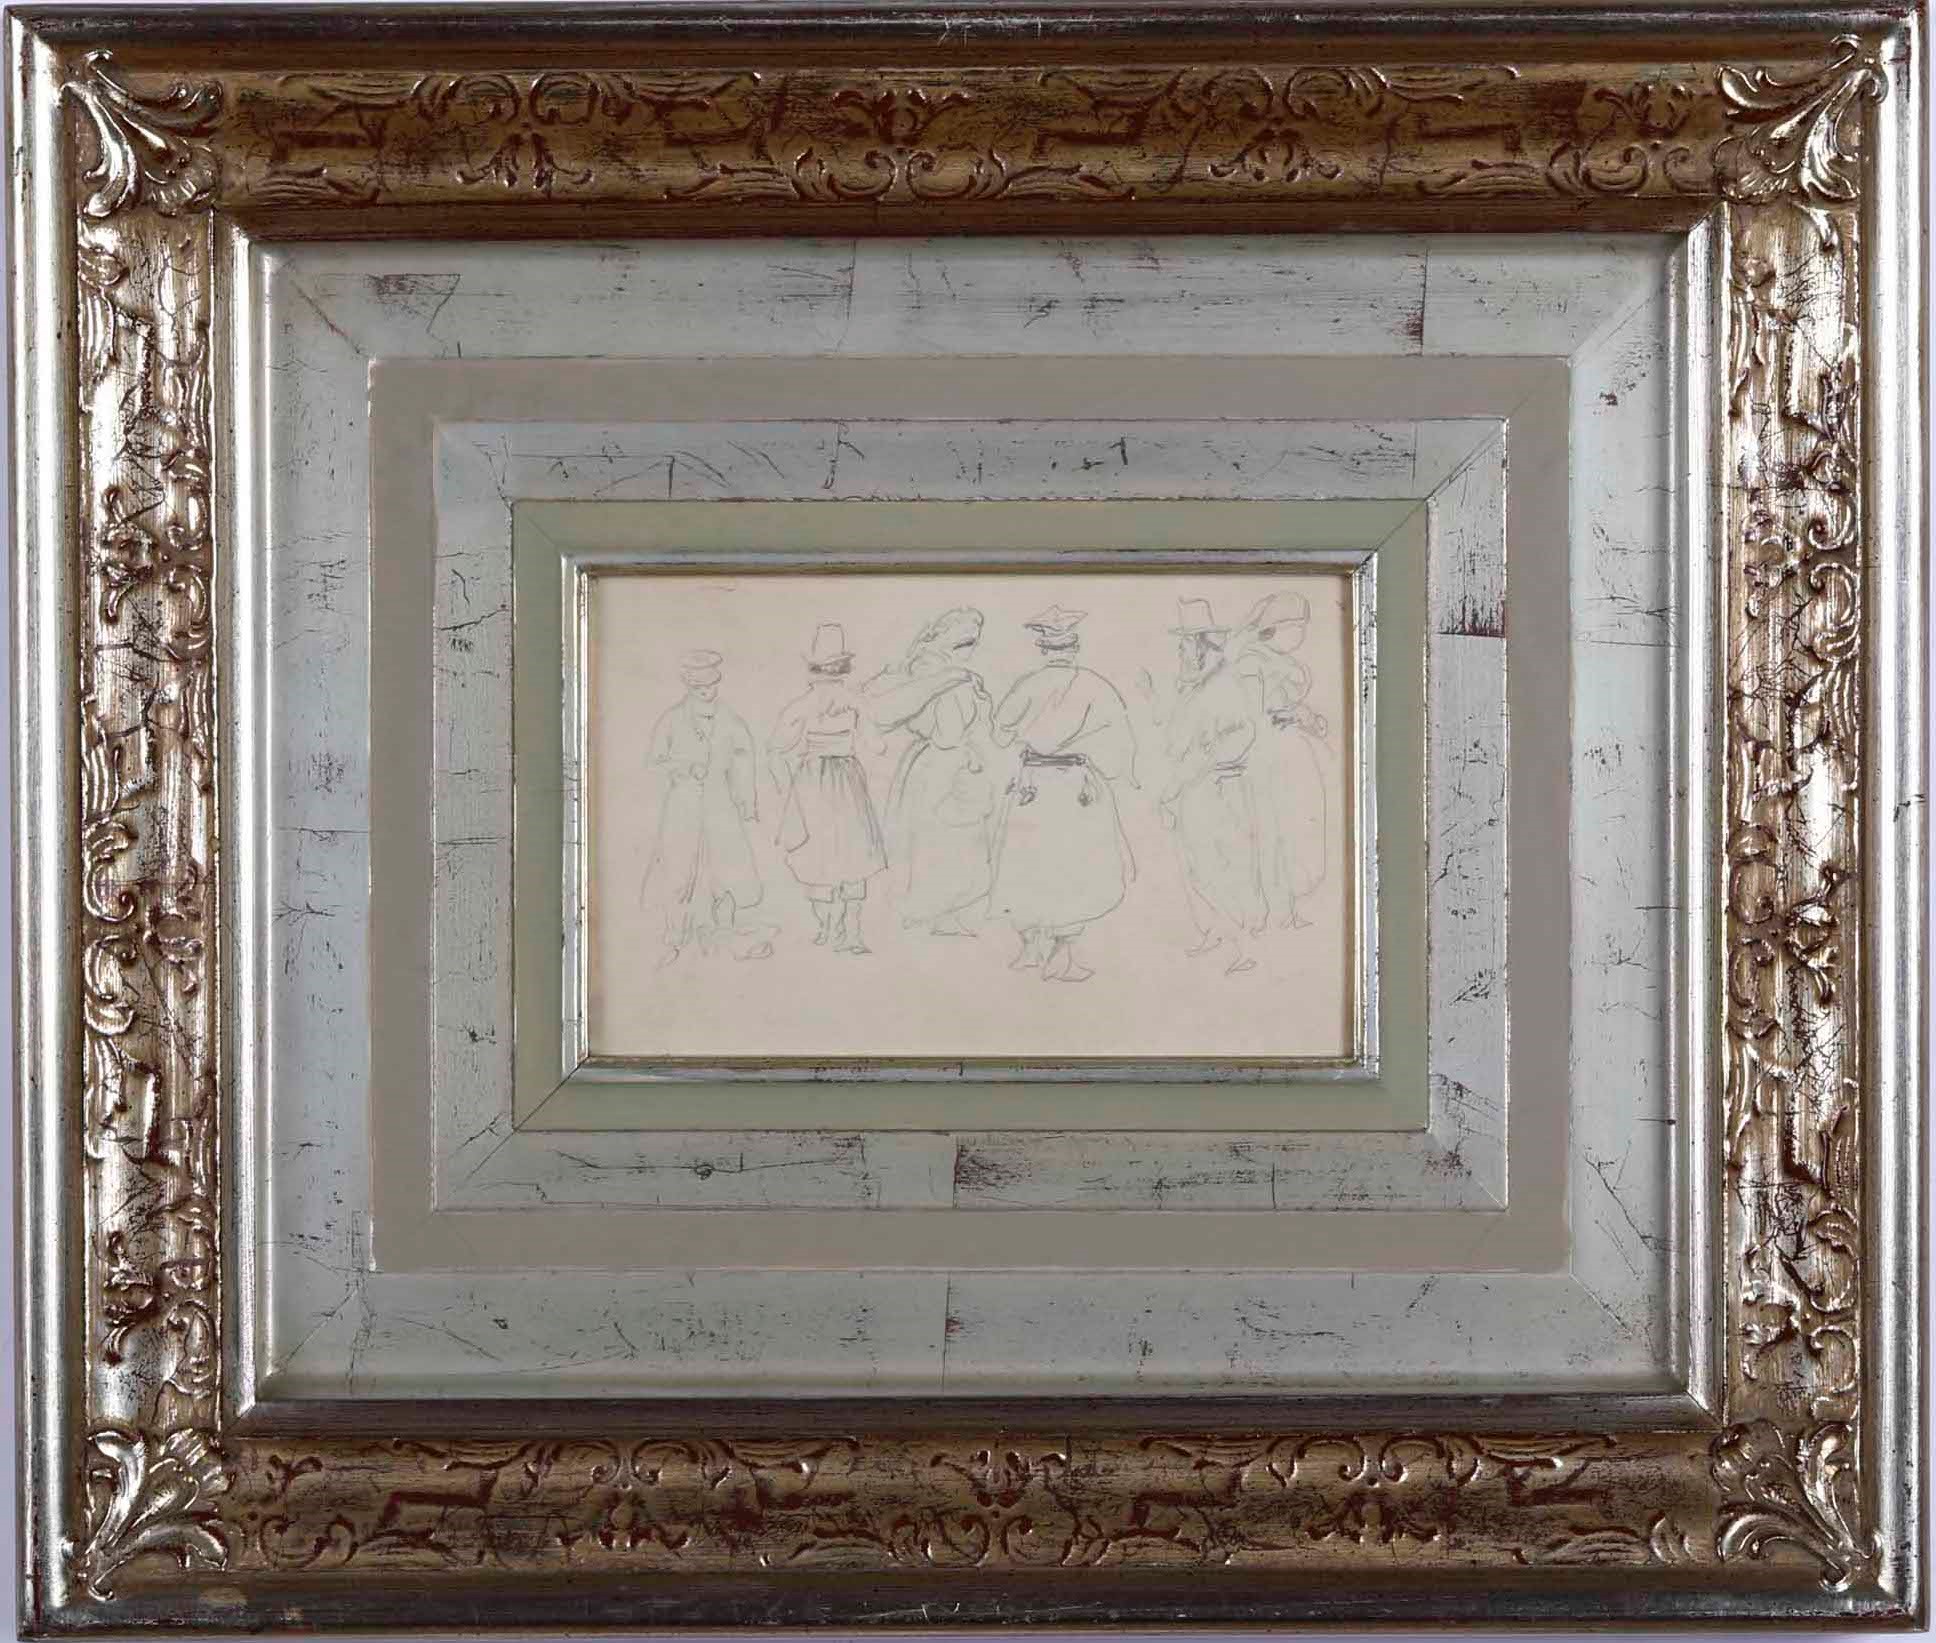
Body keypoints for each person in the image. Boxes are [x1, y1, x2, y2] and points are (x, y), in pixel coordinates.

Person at [986, 604, 1138, 983]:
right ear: (1075, 648)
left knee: (1028, 862)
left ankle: (1030, 949)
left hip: (1033, 785)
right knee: (1073, 865)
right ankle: (1063, 954)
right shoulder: (1097, 686)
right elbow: (1120, 745)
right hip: (1076, 785)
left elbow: (999, 734)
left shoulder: (1027, 685)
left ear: (1042, 648)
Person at [869, 607, 997, 937]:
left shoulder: (962, 675)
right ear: (941, 636)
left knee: (960, 840)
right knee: (931, 839)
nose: (970, 648)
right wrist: (951, 681)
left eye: (973, 641)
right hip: (934, 766)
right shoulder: (928, 669)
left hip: (958, 763)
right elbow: (942, 729)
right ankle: (928, 910)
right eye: (963, 641)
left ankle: (949, 911)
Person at [637, 649, 770, 963]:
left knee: (726, 868)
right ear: (689, 686)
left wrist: (746, 800)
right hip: (682, 805)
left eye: (711, 685)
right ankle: (674, 937)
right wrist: (683, 767)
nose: (707, 692)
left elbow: (744, 762)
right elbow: (654, 762)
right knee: (678, 870)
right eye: (700, 687)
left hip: (720, 803)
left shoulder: (731, 720)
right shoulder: (672, 719)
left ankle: (724, 933)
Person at [1159, 597, 1265, 974]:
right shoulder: (1198, 685)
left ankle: (1243, 946)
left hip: (1218, 788)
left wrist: (1178, 785)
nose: (1180, 652)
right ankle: (1218, 930)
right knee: (1198, 865)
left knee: (1224, 866)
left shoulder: (1223, 685)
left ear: (1200, 644)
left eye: (1184, 644)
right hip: (1198, 788)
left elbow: (1235, 737)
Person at [769, 623, 889, 954]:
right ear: (843, 669)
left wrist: (786, 781)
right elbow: (878, 746)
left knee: (820, 855)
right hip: (846, 779)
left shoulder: (800, 705)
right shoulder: (856, 702)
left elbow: (777, 746)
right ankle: (851, 932)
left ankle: (828, 926)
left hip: (811, 780)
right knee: (852, 854)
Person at [1230, 591, 1330, 928]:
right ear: (1274, 628)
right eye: (1295, 626)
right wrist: (1288, 717)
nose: (1301, 634)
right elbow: (1252, 714)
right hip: (1266, 756)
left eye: (1303, 626)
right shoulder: (1250, 663)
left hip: (1291, 753)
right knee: (1272, 834)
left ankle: (1288, 907)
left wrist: (1309, 719)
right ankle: (1276, 911)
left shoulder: (1283, 663)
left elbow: (1290, 706)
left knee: (1298, 829)